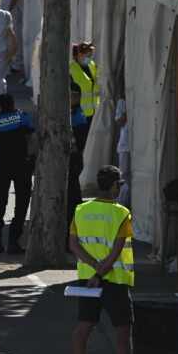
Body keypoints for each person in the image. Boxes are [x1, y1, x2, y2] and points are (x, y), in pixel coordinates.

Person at [69, 167, 149, 354]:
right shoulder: (121, 213)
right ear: (114, 185)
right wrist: (101, 273)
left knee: (83, 328)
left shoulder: (81, 209)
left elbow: (74, 245)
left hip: (87, 280)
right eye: (119, 185)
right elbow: (116, 250)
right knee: (123, 331)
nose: (120, 189)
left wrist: (93, 271)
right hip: (114, 281)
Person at [0, 93, 36, 253]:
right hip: (23, 166)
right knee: (22, 204)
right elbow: (33, 137)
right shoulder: (23, 117)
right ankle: (13, 242)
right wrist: (31, 156)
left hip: (2, 167)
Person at [68, 42, 100, 223]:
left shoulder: (92, 66)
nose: (89, 56)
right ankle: (76, 189)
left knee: (85, 154)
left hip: (92, 115)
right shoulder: (72, 70)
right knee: (78, 155)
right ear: (78, 54)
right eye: (86, 53)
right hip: (79, 118)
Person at [114, 97, 130, 206]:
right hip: (125, 144)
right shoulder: (122, 101)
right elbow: (119, 121)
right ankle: (122, 202)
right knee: (124, 174)